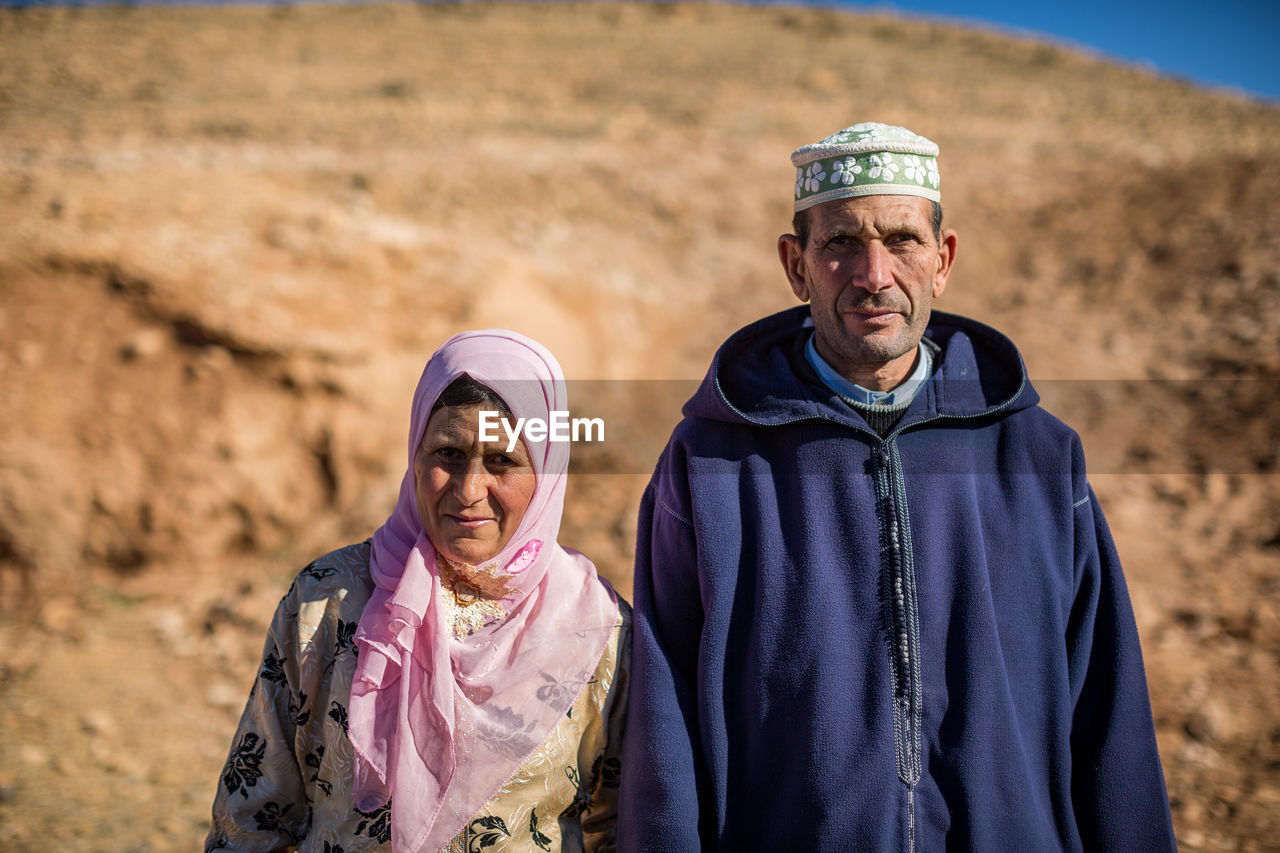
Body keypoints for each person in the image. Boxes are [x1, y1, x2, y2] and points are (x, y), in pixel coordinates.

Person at [618, 122, 1176, 850]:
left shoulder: (1040, 457)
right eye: (841, 242)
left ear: (942, 260)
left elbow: (1109, 715)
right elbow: (663, 715)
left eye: (902, 240)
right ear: (797, 265)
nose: (874, 273)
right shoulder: (710, 463)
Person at [207, 330, 629, 853]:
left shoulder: (599, 630)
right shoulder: (328, 600)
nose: (470, 490)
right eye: (448, 454)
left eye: (501, 461)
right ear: (414, 453)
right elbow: (252, 811)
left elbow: (617, 829)